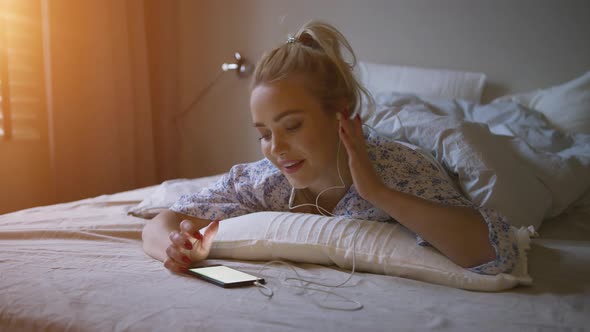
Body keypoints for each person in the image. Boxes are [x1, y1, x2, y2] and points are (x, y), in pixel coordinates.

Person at [142, 20, 518, 276]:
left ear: (341, 113)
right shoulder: (267, 180)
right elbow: (163, 223)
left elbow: (491, 251)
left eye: (292, 126)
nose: (277, 148)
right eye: (264, 133)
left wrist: (378, 193)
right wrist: (176, 250)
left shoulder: (396, 167)